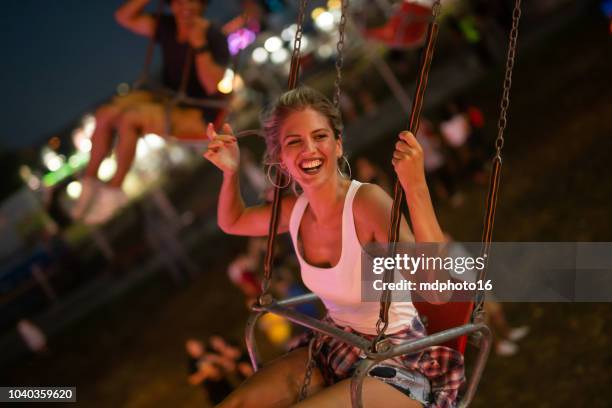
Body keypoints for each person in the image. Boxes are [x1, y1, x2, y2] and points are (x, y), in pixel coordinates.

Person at [203, 87, 464, 408]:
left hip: (395, 360)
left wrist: (415, 186)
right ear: (280, 159)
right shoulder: (293, 211)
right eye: (294, 142)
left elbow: (435, 290)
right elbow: (234, 221)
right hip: (336, 346)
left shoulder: (365, 203)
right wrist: (229, 173)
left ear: (338, 145)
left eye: (320, 136)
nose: (309, 149)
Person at [74, 0, 230, 225]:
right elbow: (124, 17)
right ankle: (89, 184)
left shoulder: (213, 34)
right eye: (178, 3)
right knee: (105, 114)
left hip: (200, 111)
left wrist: (200, 46)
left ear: (201, 6)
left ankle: (113, 191)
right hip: (169, 99)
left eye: (190, 3)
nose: (183, 8)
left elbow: (210, 85)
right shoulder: (167, 25)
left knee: (130, 119)